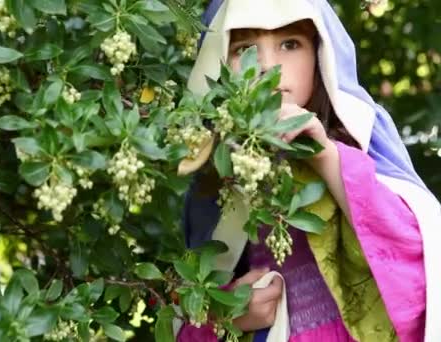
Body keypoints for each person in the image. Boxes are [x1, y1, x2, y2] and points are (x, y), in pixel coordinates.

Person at [177, 0, 441, 341]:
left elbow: (421, 267)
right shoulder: (216, 180)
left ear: (320, 54)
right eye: (245, 48)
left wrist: (326, 157)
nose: (267, 66)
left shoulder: (362, 138)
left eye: (290, 44)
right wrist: (225, 317)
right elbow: (189, 318)